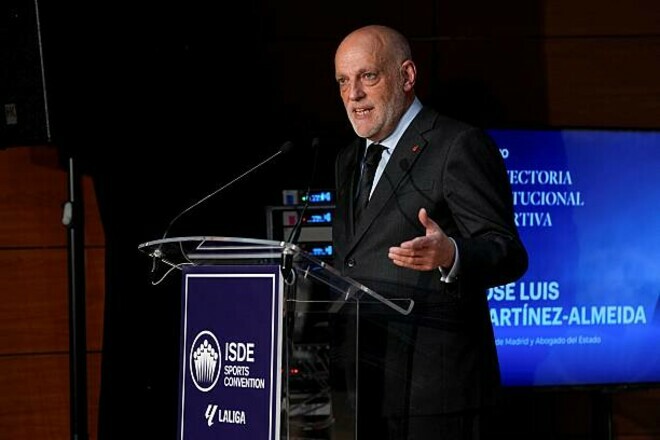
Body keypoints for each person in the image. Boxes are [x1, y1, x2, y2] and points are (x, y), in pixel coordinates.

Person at [331, 24, 528, 439]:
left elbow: (508, 252)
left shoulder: (458, 145)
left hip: (436, 397)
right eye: (343, 81)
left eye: (368, 76)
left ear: (406, 76)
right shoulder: (348, 160)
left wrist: (452, 254)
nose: (354, 95)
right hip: (365, 387)